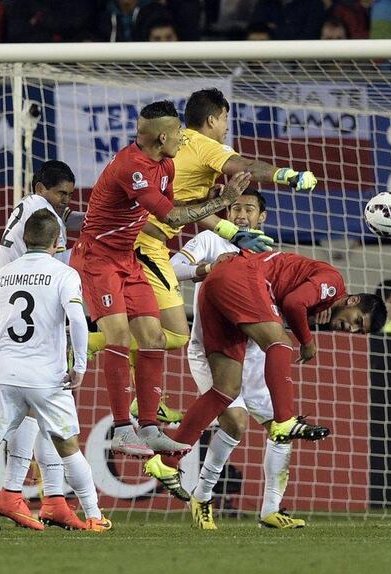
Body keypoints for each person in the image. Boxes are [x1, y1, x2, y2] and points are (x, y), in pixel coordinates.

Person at [69, 99, 254, 457]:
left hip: (128, 258)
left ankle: (150, 426)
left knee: (153, 337)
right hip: (97, 259)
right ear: (163, 136)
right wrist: (223, 201)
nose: (184, 140)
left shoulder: (165, 164)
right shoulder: (132, 167)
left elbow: (180, 212)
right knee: (119, 335)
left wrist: (207, 197)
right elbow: (170, 219)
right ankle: (123, 428)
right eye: (180, 135)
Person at [145, 250, 387, 501]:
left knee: (225, 390)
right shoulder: (333, 282)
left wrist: (308, 314)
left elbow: (292, 300)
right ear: (352, 300)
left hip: (217, 288)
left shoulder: (321, 298)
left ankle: (166, 462)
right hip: (240, 277)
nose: (352, 328)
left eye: (359, 331)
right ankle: (284, 420)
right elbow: (294, 302)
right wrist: (306, 341)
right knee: (280, 342)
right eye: (357, 320)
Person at [123, 88, 316, 394]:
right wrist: (286, 175)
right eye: (225, 118)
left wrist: (232, 233)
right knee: (172, 332)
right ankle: (102, 347)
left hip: (138, 238)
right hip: (143, 243)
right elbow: (246, 167)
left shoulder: (176, 142)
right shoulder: (207, 147)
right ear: (212, 119)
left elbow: (189, 210)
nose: (227, 126)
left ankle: (141, 399)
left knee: (154, 328)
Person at [0, 210, 111, 532]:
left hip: (5, 373)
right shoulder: (64, 273)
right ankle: (95, 516)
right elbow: (77, 320)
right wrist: (80, 365)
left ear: (25, 239)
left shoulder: (4, 273)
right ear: (58, 241)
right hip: (47, 377)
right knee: (69, 446)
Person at [168, 189, 307, 529]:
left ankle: (270, 510)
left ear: (263, 217)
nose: (241, 214)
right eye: (235, 208)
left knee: (281, 429)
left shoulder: (270, 255)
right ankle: (202, 496)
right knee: (235, 422)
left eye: (249, 209)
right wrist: (207, 268)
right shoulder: (210, 240)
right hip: (214, 352)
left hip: (257, 357)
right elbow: (172, 268)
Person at [0, 160, 91, 531]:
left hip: (8, 319)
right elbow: (61, 255)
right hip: (24, 324)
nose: (65, 201)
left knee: (36, 410)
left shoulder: (30, 208)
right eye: (61, 193)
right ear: (40, 187)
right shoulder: (45, 214)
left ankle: (52, 499)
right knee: (38, 405)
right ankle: (17, 492)